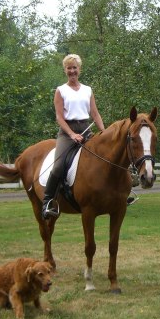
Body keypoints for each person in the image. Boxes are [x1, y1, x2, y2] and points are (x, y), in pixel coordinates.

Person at [42, 54, 105, 220]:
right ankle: (48, 201)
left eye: (74, 67)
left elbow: (95, 114)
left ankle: (114, 195)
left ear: (80, 69)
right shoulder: (60, 91)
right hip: (67, 132)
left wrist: (103, 132)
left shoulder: (87, 90)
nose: (72, 71)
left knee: (106, 156)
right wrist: (71, 134)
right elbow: (59, 117)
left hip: (86, 129)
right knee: (58, 166)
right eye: (69, 68)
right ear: (65, 70)